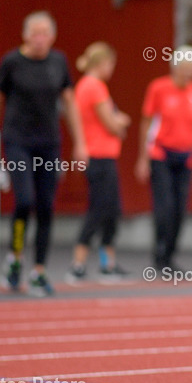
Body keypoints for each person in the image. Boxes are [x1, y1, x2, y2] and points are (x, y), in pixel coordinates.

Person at [0, 11, 88, 296]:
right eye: (35, 33)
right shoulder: (12, 62)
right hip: (18, 141)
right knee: (24, 199)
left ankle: (39, 269)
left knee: (45, 205)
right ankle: (15, 258)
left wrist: (80, 142)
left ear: (52, 37)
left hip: (48, 143)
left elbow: (69, 101)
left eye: (45, 34)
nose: (40, 39)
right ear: (25, 35)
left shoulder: (58, 61)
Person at [135, 46, 192, 274]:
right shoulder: (159, 88)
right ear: (174, 67)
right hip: (161, 153)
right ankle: (159, 252)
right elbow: (146, 123)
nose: (187, 74)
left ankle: (170, 254)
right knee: (164, 206)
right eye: (184, 69)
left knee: (180, 209)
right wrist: (143, 158)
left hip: (186, 156)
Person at [67, 42, 132, 285]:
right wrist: (120, 123)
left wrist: (117, 123)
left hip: (104, 155)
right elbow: (111, 123)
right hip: (99, 156)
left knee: (111, 210)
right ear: (102, 63)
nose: (112, 69)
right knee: (99, 209)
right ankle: (78, 263)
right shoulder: (94, 87)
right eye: (111, 64)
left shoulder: (88, 86)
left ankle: (107, 263)